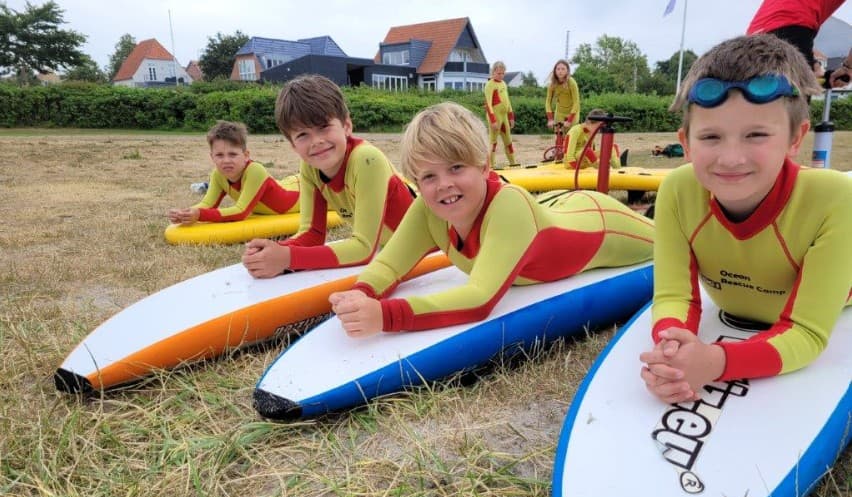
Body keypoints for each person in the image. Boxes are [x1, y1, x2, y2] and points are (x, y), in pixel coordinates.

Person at [639, 33, 852, 405]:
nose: (731, 158)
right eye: (711, 137)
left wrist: (715, 362)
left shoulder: (836, 200)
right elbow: (674, 295)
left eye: (756, 135)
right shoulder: (677, 190)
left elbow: (805, 332)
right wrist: (672, 349)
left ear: (795, 138)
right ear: (685, 142)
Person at [328, 102, 654, 337]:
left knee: (671, 239)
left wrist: (385, 316)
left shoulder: (508, 207)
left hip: (603, 223)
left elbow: (480, 299)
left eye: (456, 167)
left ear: (484, 166)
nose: (443, 185)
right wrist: (362, 292)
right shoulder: (428, 209)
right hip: (561, 207)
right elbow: (388, 264)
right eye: (428, 176)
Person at [241, 75, 414, 278]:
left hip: (431, 248)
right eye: (302, 135)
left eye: (323, 127)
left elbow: (364, 249)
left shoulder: (367, 160)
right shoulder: (309, 166)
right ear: (293, 145)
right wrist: (272, 251)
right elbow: (311, 234)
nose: (316, 141)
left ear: (347, 126)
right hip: (392, 249)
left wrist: (288, 258)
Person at [168, 120, 299, 224]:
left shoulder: (255, 170)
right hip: (285, 184)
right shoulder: (217, 174)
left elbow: (241, 212)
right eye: (219, 155)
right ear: (212, 157)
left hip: (300, 195)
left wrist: (200, 215)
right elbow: (208, 204)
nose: (226, 161)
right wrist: (187, 213)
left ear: (246, 155)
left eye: (232, 154)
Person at [746, 0, 846, 78]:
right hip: (792, 24)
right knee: (791, 99)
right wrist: (848, 68)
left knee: (755, 95)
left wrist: (813, 65)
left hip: (751, 37)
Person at [483, 61, 517, 168]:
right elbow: (488, 104)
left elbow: (508, 101)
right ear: (493, 72)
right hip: (495, 118)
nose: (501, 76)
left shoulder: (503, 84)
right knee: (493, 142)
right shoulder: (490, 84)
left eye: (503, 73)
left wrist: (511, 116)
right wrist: (493, 120)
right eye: (498, 73)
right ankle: (492, 166)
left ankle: (513, 163)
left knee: (508, 140)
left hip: (504, 117)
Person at [545, 59, 581, 130]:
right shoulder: (552, 84)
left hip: (572, 112)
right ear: (555, 71)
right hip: (560, 112)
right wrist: (550, 119)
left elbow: (576, 102)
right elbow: (548, 102)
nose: (560, 71)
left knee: (570, 136)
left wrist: (569, 120)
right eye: (558, 69)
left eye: (563, 69)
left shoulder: (572, 82)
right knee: (559, 134)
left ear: (567, 70)